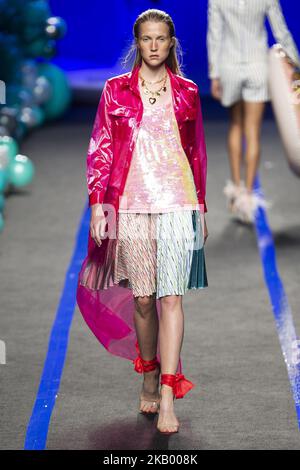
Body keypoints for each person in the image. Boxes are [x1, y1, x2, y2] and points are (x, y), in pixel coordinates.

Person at [76, 9, 209, 435]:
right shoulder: (115, 92)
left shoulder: (188, 92)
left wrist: (200, 207)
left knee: (172, 298)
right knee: (144, 300)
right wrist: (99, 205)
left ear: (172, 44)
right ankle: (149, 372)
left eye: (161, 39)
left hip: (177, 201)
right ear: (138, 43)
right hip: (129, 204)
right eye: (147, 39)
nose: (154, 46)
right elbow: (101, 149)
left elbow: (196, 154)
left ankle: (168, 393)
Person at [207, 0, 300, 223]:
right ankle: (248, 193)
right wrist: (296, 65)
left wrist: (214, 73)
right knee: (252, 130)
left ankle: (237, 189)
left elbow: (214, 35)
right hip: (258, 65)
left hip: (229, 65)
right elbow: (281, 32)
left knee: (236, 125)